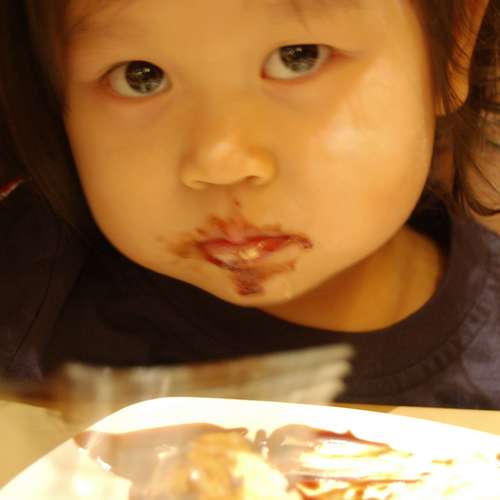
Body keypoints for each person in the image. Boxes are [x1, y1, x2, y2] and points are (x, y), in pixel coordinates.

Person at [0, 0, 499, 409]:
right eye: (140, 76)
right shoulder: (30, 320)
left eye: (298, 57)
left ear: (455, 42)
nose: (220, 161)